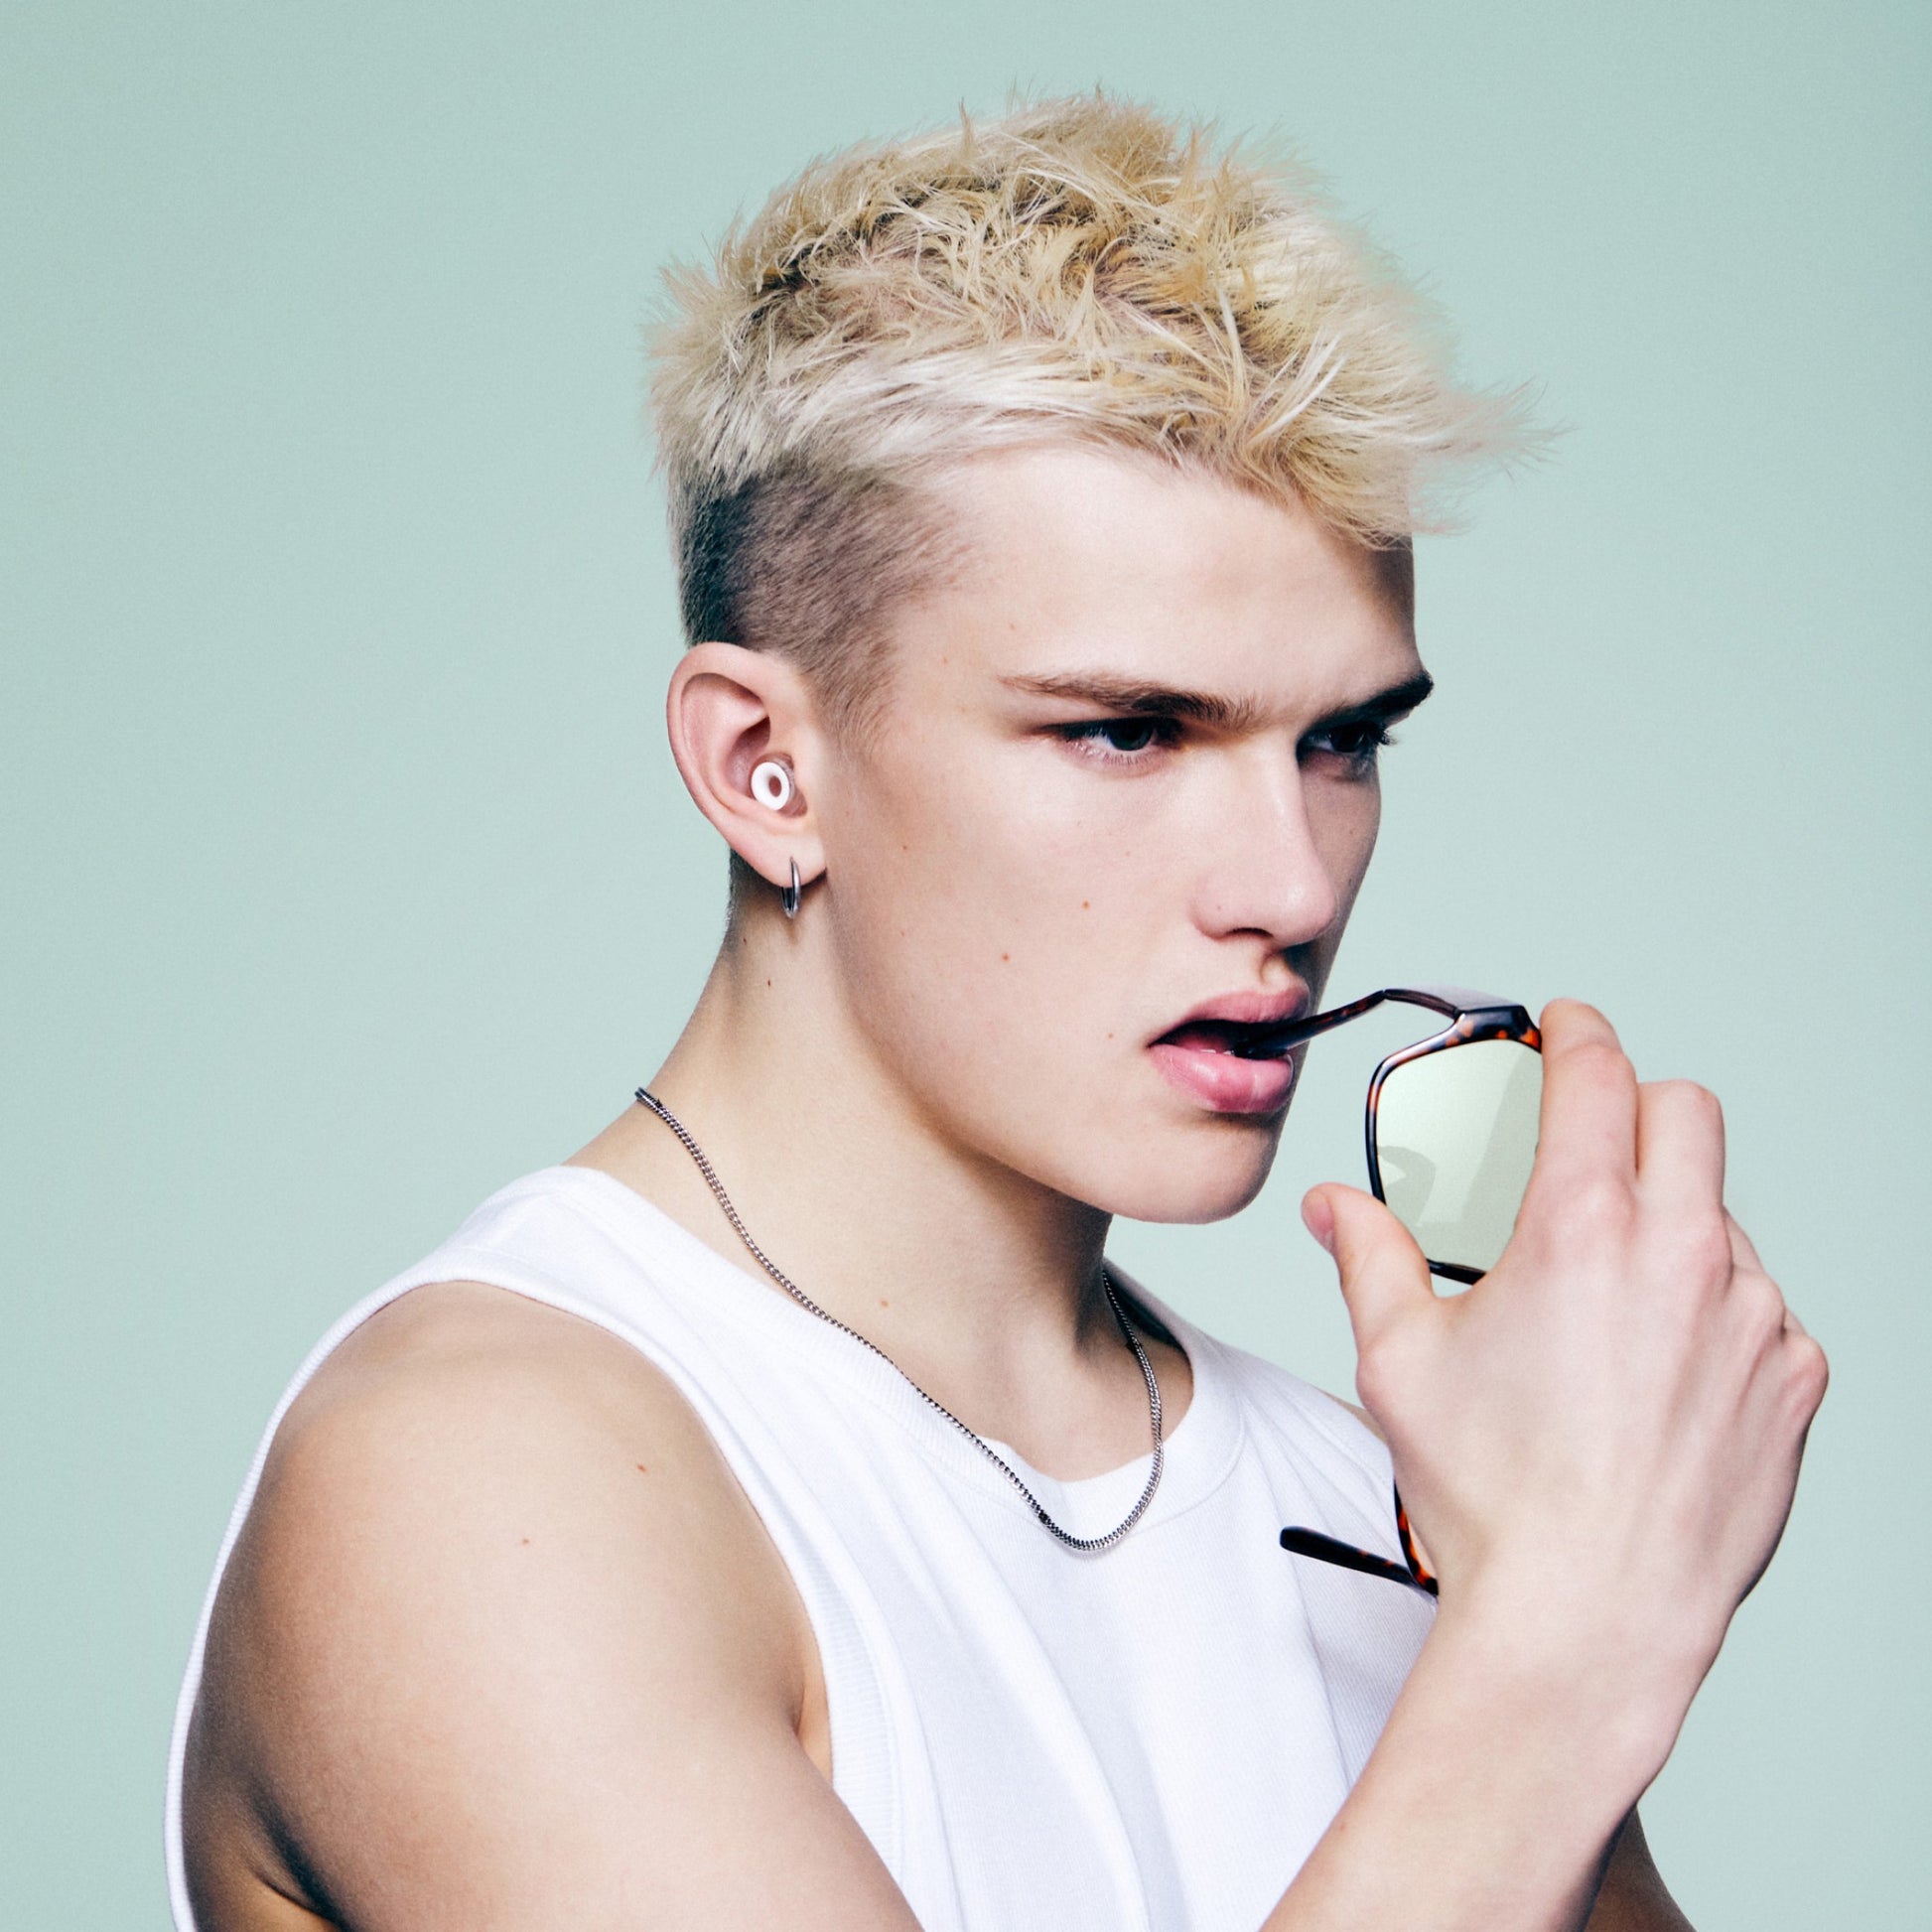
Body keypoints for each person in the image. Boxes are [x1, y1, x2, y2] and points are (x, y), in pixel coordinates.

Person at [168, 95, 1826, 1931]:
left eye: (1341, 741)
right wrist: (1565, 1644)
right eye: (1129, 731)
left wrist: (1546, 1602)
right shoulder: (477, 1480)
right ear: (764, 765)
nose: (1289, 884)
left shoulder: (1383, 1506)